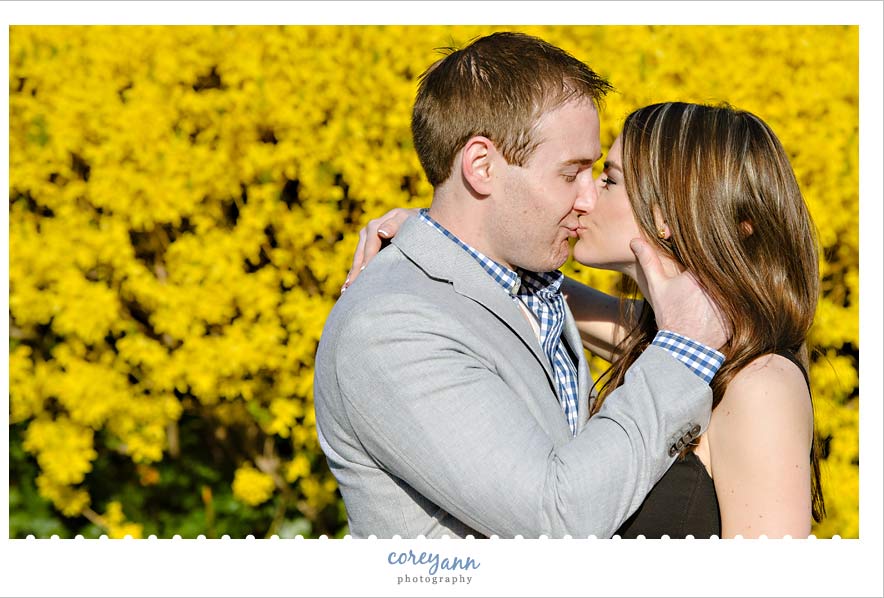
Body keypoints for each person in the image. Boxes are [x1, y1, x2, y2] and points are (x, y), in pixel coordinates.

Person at [313, 32, 728, 539]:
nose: (587, 199)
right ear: (482, 167)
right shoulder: (391, 326)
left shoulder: (529, 288)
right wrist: (683, 352)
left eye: (594, 173)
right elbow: (554, 520)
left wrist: (430, 230)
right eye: (570, 173)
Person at [350, 101, 826, 538]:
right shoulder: (672, 345)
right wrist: (440, 231)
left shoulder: (758, 383)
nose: (585, 198)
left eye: (609, 180)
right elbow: (527, 294)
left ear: (669, 214)